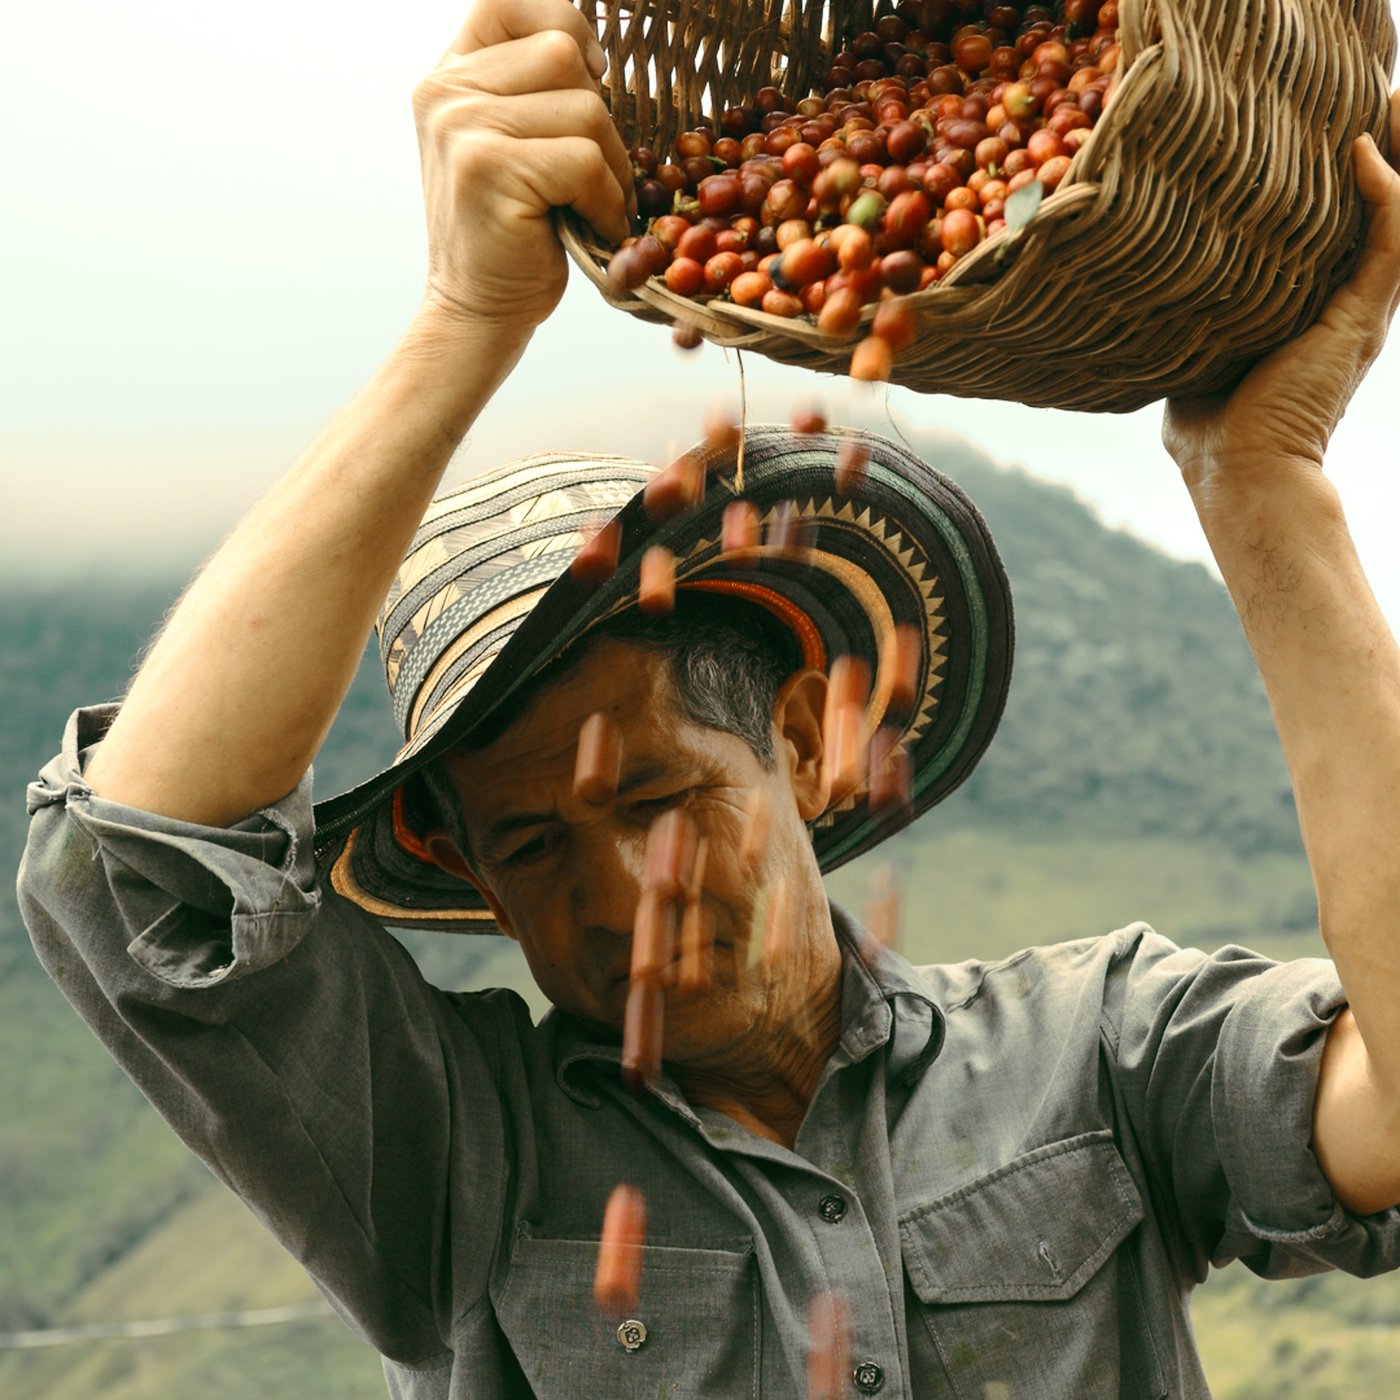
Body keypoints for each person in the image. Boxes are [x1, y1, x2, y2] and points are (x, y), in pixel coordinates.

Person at [17, 1, 1400, 1395]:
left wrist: (1262, 488)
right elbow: (143, 868)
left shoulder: (1098, 1054)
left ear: (804, 744)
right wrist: (465, 319)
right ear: (469, 874)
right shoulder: (459, 1156)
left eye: (660, 793)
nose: (624, 892)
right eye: (535, 845)